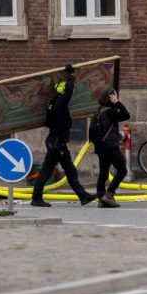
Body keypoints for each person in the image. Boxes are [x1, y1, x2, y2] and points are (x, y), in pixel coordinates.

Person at [31, 64, 96, 207]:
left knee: (60, 170)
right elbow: (68, 93)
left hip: (55, 141)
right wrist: (71, 76)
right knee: (58, 171)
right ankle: (37, 198)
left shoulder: (52, 104)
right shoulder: (59, 103)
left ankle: (82, 196)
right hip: (57, 143)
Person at [93, 89, 131, 207]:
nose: (116, 97)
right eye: (115, 96)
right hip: (110, 147)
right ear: (110, 98)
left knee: (103, 173)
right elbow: (126, 115)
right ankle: (109, 194)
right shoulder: (110, 112)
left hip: (101, 147)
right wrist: (117, 103)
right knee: (122, 170)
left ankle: (101, 198)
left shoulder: (99, 110)